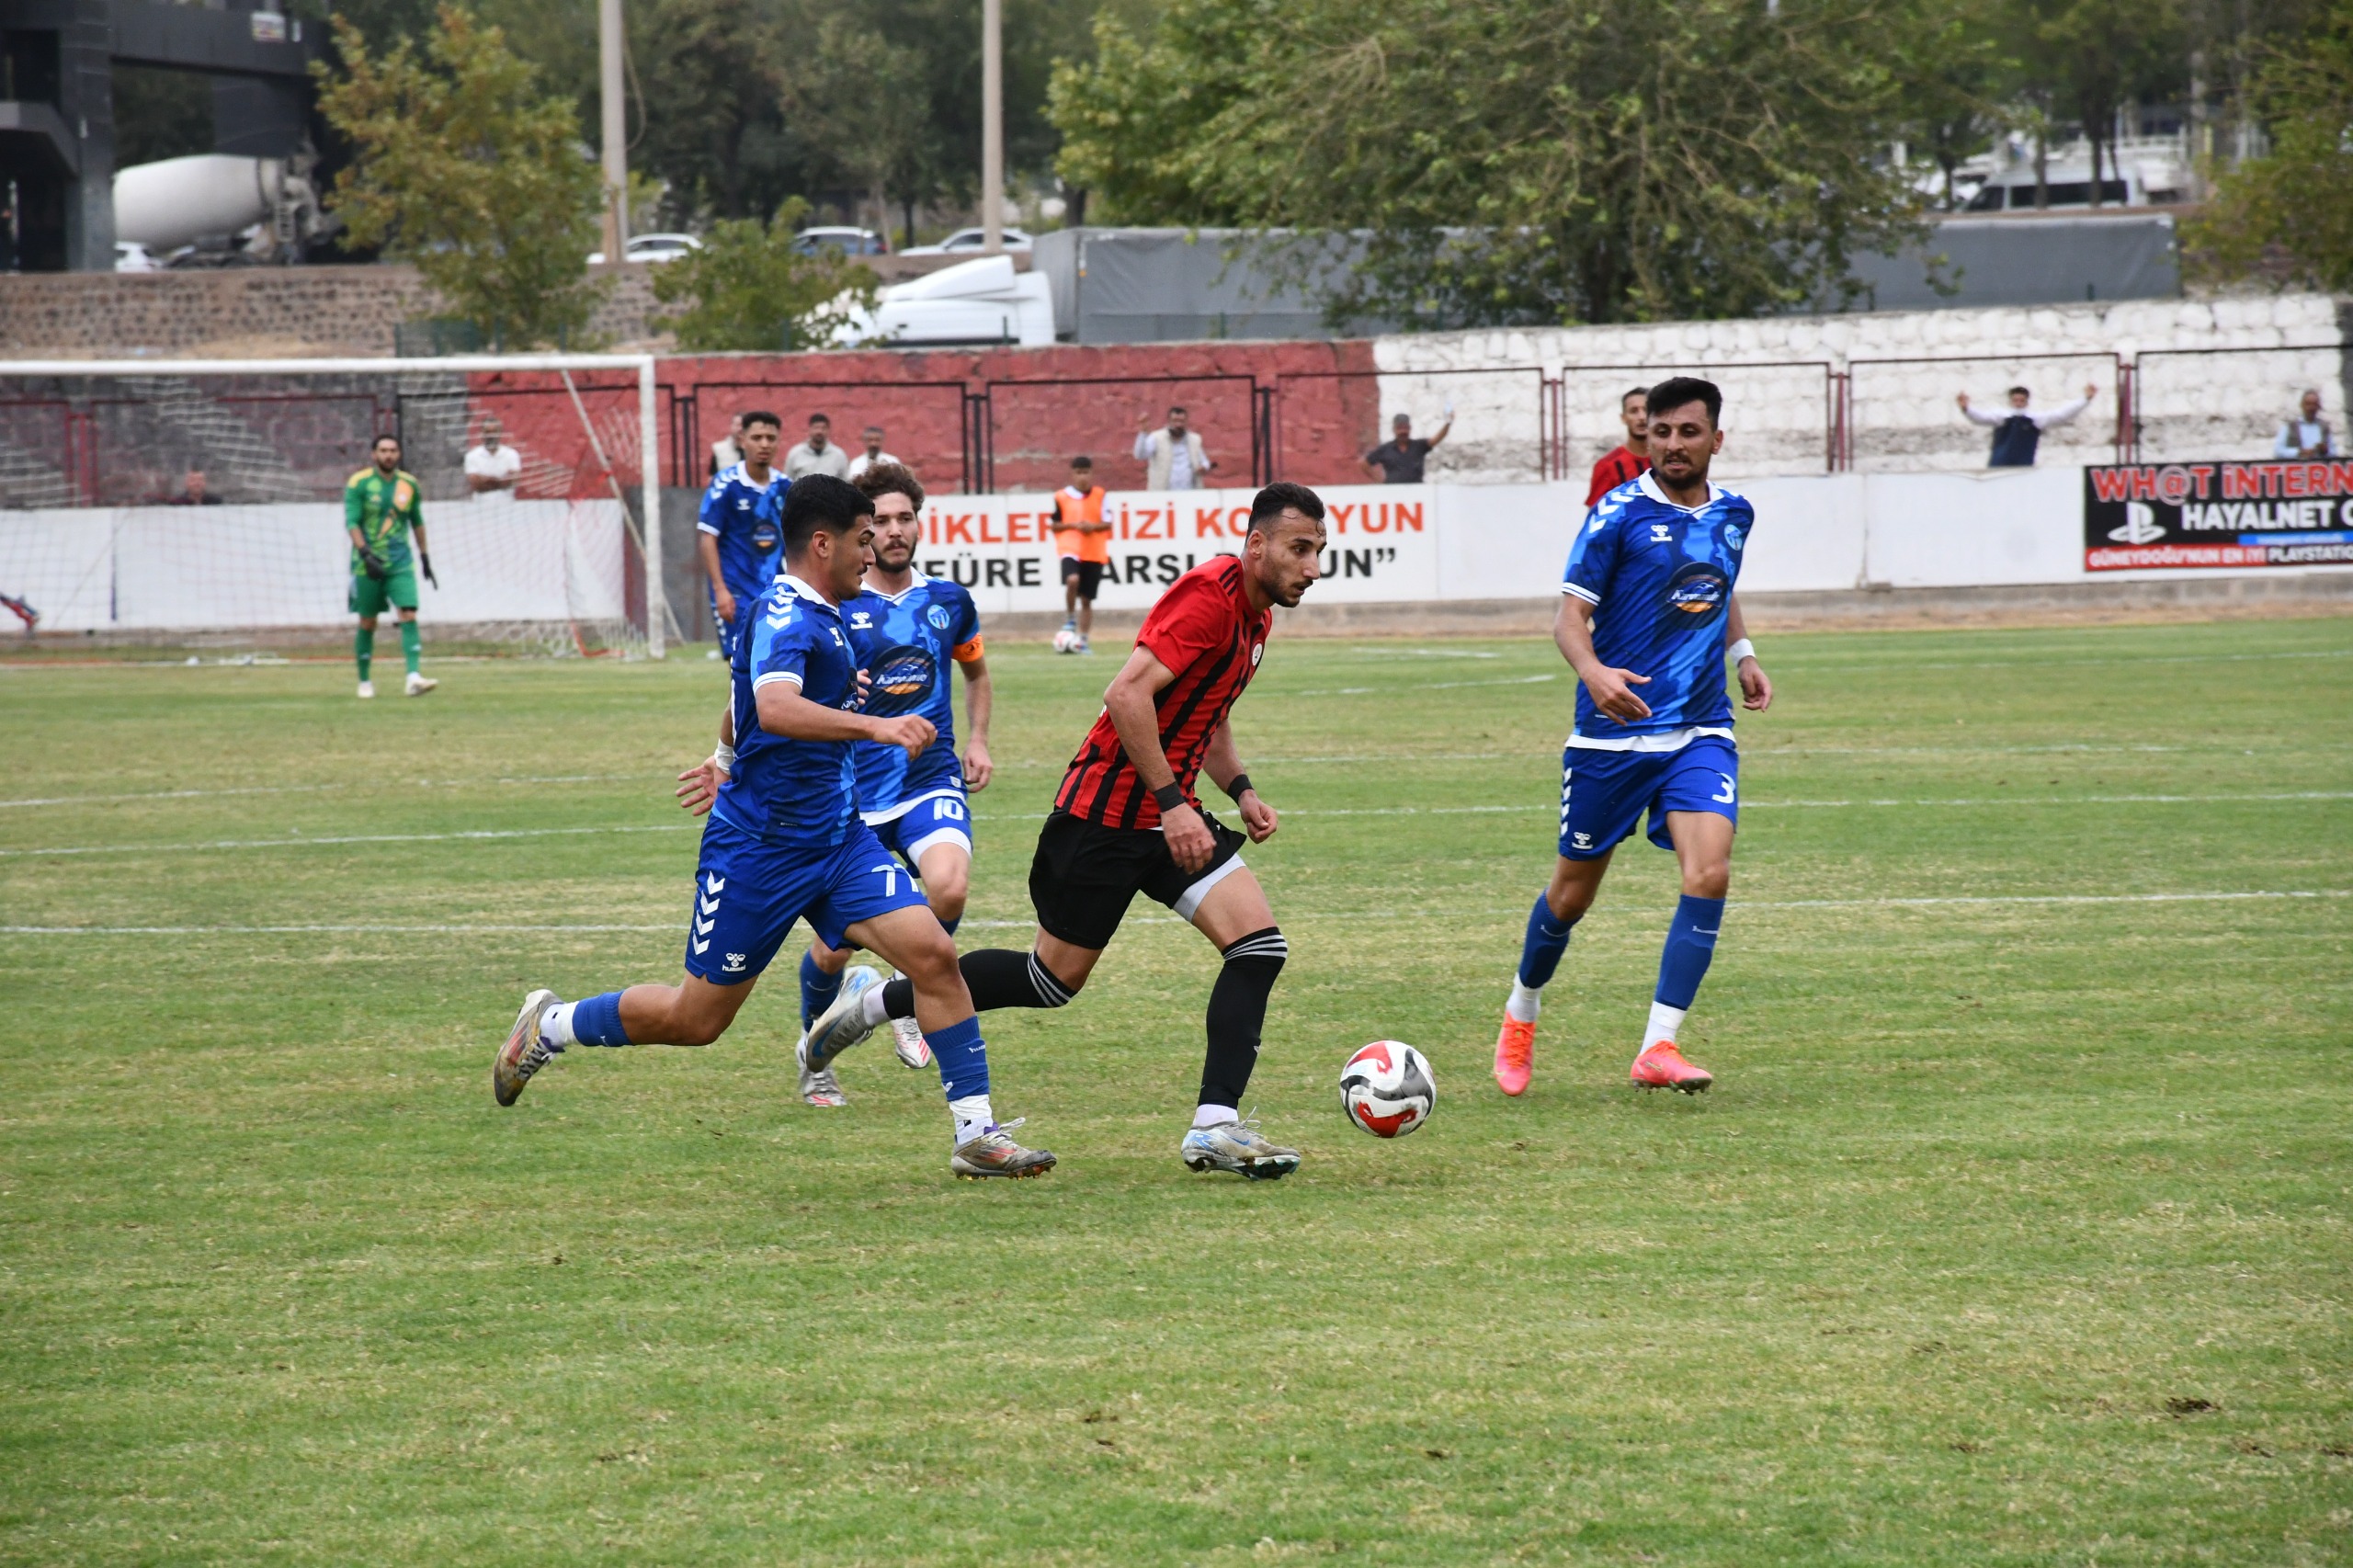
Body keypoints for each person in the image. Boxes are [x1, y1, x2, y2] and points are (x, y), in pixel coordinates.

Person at [494, 474, 1054, 1180]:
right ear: (824, 543)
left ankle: (976, 1135)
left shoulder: (829, 610)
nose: (871, 551)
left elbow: (745, 703)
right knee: (697, 1021)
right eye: (859, 539)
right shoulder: (790, 614)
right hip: (759, 852)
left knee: (935, 958)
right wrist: (877, 725)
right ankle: (550, 1025)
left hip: (837, 842)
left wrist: (725, 752)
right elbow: (778, 705)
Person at [800, 483, 1328, 1181]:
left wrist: (1241, 789)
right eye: (1300, 549)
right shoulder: (1210, 598)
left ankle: (1214, 1127)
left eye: (1319, 551)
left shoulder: (1256, 619)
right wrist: (1174, 804)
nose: (1312, 566)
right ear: (1257, 544)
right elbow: (1126, 694)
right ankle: (874, 1004)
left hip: (1166, 818)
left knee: (1259, 947)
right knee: (1049, 982)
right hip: (1103, 818)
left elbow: (1207, 706)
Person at [1492, 376, 1773, 1100]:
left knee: (1709, 871)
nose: (1673, 445)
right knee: (1571, 896)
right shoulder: (1615, 514)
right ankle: (1522, 1010)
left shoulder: (1736, 513)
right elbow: (1567, 619)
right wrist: (1593, 674)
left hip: (1700, 727)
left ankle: (1659, 1044)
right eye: (1661, 433)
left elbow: (1719, 583)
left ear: (1716, 438)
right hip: (1612, 740)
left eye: (1688, 432)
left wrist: (1742, 655)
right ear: (1644, 437)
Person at [780, 462, 994, 1105]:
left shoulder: (948, 602)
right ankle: (814, 1052)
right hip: (852, 797)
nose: (895, 532)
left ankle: (905, 995)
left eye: (905, 518)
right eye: (882, 523)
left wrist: (977, 741)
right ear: (860, 532)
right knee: (830, 953)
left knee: (950, 889)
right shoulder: (835, 605)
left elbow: (977, 676)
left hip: (929, 780)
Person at [344, 433, 438, 700]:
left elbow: (417, 521)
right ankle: (364, 681)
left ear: (399, 454)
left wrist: (425, 557)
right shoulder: (359, 483)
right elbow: (351, 522)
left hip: (400, 562)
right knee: (368, 622)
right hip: (367, 564)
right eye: (383, 451)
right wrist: (365, 554)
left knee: (408, 613)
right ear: (374, 455)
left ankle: (413, 677)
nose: (388, 455)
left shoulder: (409, 484)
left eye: (393, 451)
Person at [696, 411, 786, 659]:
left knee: (773, 663)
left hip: (774, 591)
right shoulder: (726, 485)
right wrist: (720, 590)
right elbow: (708, 538)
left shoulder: (784, 486)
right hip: (735, 591)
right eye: (757, 437)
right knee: (740, 665)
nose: (764, 444)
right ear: (742, 440)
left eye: (771, 437)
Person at [1050, 455, 1109, 653]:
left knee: (1086, 599)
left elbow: (1108, 522)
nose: (1082, 477)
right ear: (1072, 474)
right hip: (1070, 547)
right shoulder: (1061, 496)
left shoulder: (1100, 495)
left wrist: (1092, 527)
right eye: (1078, 473)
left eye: (1086, 472)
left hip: (1093, 551)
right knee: (1072, 580)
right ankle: (1069, 619)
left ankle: (1082, 640)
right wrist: (1074, 525)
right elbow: (1055, 525)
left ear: (1091, 474)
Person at [1958, 382, 2097, 468]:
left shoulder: (2034, 419)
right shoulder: (2001, 417)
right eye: (2015, 400)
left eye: (2021, 400)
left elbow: (2061, 415)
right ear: (2011, 401)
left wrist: (2085, 400)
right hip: (1999, 466)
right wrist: (1966, 409)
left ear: (2026, 402)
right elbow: (1980, 418)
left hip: (2023, 466)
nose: (2018, 403)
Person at [1586, 387, 1652, 506]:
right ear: (1623, 418)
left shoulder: (1668, 461)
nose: (1641, 417)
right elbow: (1597, 516)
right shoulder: (1607, 465)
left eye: (1646, 410)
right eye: (1634, 411)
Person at [1361, 406, 1451, 483]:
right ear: (1394, 430)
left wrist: (1448, 424)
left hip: (1417, 495)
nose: (1403, 432)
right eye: (1399, 428)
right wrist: (1381, 481)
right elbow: (1365, 464)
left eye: (1405, 428)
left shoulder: (1419, 446)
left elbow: (1437, 439)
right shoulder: (1385, 449)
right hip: (1393, 495)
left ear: (1410, 429)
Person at [1134, 405, 1213, 490]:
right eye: (1175, 421)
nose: (1178, 424)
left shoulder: (1194, 440)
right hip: (1162, 494)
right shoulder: (1156, 437)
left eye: (1181, 421)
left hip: (1189, 493)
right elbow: (1140, 455)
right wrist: (1143, 432)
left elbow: (1205, 462)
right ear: (1169, 421)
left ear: (1186, 422)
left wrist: (1204, 467)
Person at [464, 417, 522, 502]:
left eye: (494, 432)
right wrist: (501, 481)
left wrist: (486, 481)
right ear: (482, 433)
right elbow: (475, 484)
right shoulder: (472, 455)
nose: (491, 436)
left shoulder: (511, 454)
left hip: (507, 506)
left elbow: (513, 480)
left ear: (500, 433)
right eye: (487, 432)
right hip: (479, 507)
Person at [786, 413, 853, 480]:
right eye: (816, 428)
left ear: (828, 430)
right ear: (809, 429)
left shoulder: (839, 455)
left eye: (823, 428)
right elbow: (788, 481)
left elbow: (845, 482)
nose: (819, 431)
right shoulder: (795, 453)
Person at [2275, 390, 2336, 458]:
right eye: (2308, 404)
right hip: (2297, 467)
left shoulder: (2324, 427)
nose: (2311, 408)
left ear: (2319, 407)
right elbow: (2278, 451)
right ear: (2301, 405)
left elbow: (2333, 452)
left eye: (2314, 404)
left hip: (2318, 467)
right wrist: (2299, 452)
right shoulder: (2290, 427)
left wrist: (2325, 451)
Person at [710, 414, 744, 478]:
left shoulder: (755, 450)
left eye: (743, 425)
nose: (740, 429)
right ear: (731, 426)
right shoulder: (719, 449)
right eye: (737, 425)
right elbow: (712, 477)